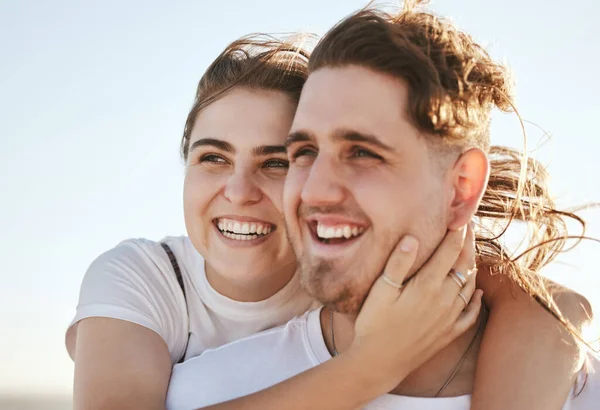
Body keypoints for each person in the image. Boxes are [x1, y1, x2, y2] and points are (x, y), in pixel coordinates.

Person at [67, 12, 592, 410]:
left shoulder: (538, 342)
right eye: (304, 153)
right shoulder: (152, 291)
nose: (240, 189)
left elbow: (543, 300)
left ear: (462, 188)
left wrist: (554, 317)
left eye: (277, 160)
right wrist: (371, 366)